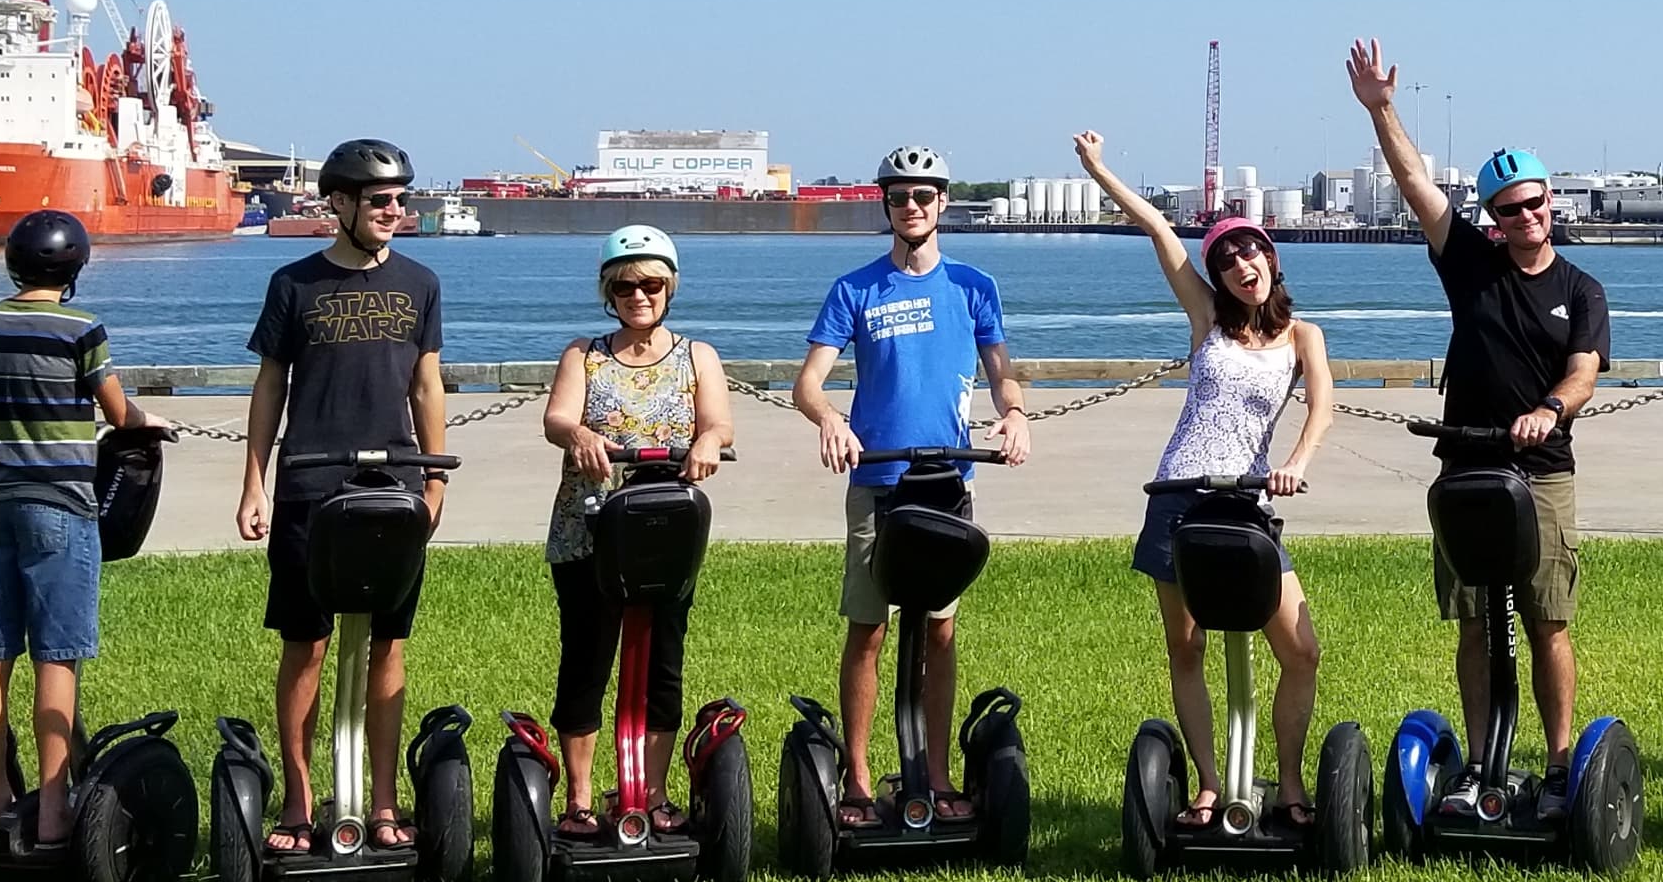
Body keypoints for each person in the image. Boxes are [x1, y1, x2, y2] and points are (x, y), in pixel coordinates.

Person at [1344, 40, 1612, 782]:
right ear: (1494, 217)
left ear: (1549, 202)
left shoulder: (1583, 288)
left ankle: (1560, 765)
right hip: (1466, 463)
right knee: (1472, 621)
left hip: (1543, 470)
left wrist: (1550, 410)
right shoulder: (1470, 263)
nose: (1526, 215)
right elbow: (1412, 182)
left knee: (1547, 619)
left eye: (1535, 201)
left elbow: (1585, 372)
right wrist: (1382, 108)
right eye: (1510, 208)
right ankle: (1482, 766)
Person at [1073, 132, 1334, 825]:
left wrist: (1296, 465)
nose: (1241, 265)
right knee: (1187, 648)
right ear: (1216, 277)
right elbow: (1158, 227)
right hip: (1179, 497)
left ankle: (1289, 785)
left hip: (1247, 501)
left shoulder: (1303, 336)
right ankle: (1212, 786)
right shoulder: (1207, 319)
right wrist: (1099, 168)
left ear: (1271, 259)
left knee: (1300, 651)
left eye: (1250, 251)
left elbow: (1323, 408)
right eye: (1226, 259)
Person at [793, 146, 1031, 824]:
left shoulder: (973, 286)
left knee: (941, 631)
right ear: (887, 206)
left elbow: (1001, 368)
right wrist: (831, 421)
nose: (913, 208)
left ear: (943, 202)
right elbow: (807, 383)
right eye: (900, 198)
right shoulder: (856, 289)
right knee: (868, 628)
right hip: (878, 479)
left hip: (946, 481)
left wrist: (1013, 413)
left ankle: (934, 772)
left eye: (924, 196)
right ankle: (862, 781)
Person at [237, 137, 449, 855]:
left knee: (388, 644)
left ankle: (383, 802)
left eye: (401, 199)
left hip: (393, 487)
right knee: (309, 644)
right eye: (380, 200)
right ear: (340, 204)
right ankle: (299, 803)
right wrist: (254, 483)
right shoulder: (292, 284)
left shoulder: (421, 283)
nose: (395, 211)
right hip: (309, 485)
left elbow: (427, 384)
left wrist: (435, 476)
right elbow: (272, 387)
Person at [0, 208, 162, 850]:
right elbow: (114, 407)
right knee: (57, 654)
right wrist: (141, 419)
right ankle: (52, 807)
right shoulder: (82, 328)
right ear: (76, 267)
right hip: (59, 505)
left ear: (13, 262)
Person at [537, 223, 735, 836]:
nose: (638, 295)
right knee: (587, 659)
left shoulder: (697, 356)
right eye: (625, 285)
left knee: (662, 663)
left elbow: (720, 425)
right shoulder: (585, 355)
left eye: (651, 284)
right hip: (588, 528)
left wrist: (706, 440)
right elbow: (557, 418)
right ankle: (579, 799)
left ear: (669, 288)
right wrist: (580, 436)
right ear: (609, 291)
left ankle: (650, 794)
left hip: (664, 532)